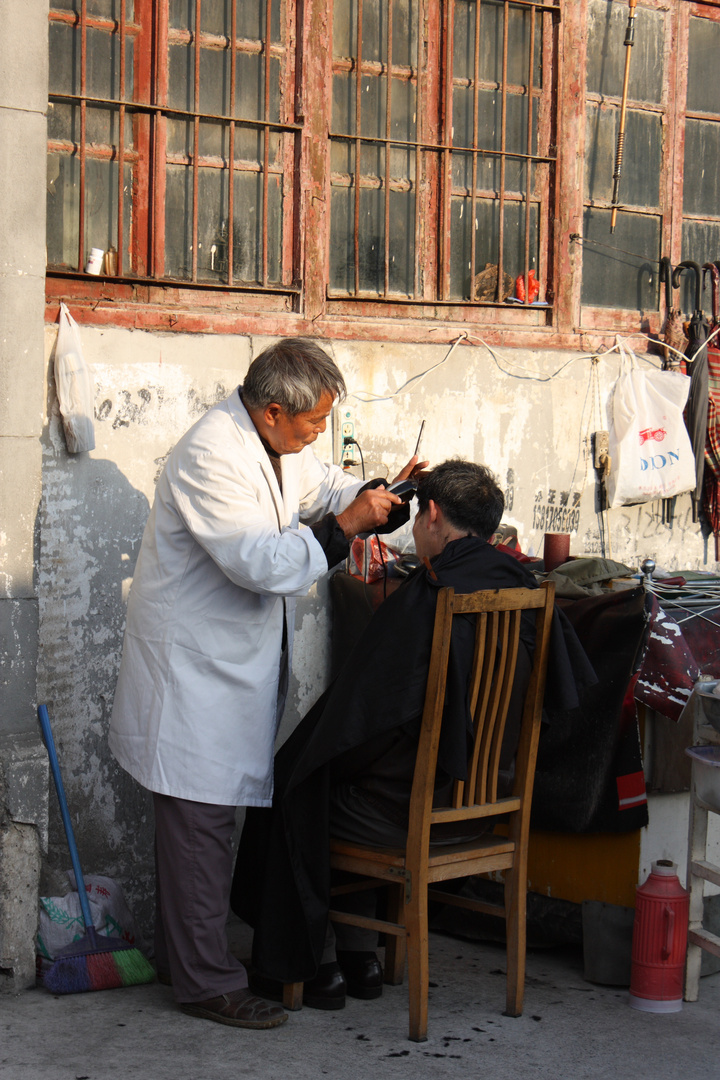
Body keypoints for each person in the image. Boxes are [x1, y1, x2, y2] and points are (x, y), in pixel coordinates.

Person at [108, 337, 424, 1030]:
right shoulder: (210, 453)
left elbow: (325, 489)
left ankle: (193, 961)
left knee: (213, 830)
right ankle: (206, 984)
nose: (317, 436)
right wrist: (346, 528)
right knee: (199, 829)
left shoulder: (277, 444)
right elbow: (257, 561)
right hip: (191, 676)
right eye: (312, 425)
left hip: (229, 671)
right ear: (275, 410)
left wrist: (379, 497)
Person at [232, 460, 596, 1009]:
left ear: (429, 515)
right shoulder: (526, 588)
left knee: (298, 785)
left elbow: (358, 718)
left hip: (413, 814)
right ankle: (362, 957)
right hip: (485, 807)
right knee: (353, 772)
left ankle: (315, 967)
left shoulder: (433, 595)